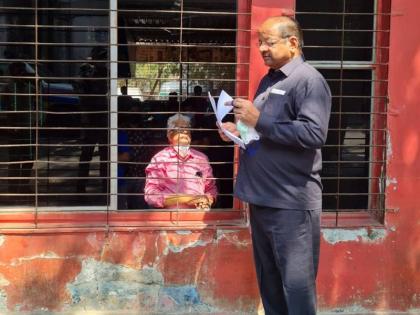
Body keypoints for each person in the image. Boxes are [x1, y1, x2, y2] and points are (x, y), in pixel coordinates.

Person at [218, 16, 331, 315]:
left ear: (292, 43)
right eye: (259, 42)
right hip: (262, 197)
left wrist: (258, 119)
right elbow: (264, 133)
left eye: (269, 41)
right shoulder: (270, 79)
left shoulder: (309, 81)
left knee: (296, 287)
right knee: (270, 282)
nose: (262, 48)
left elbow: (313, 133)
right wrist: (238, 131)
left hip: (291, 202)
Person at [145, 113, 217, 209]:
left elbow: (211, 188)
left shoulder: (201, 158)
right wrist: (185, 199)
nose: (185, 132)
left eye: (187, 130)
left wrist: (207, 200)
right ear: (169, 135)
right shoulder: (160, 159)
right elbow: (151, 195)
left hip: (198, 217)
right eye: (179, 129)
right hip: (170, 219)